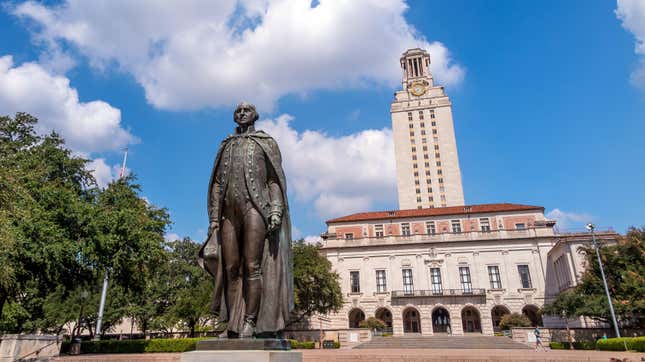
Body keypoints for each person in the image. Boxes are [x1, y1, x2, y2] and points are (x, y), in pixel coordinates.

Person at [199, 102, 293, 338]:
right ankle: (233, 323)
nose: (241, 113)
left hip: (256, 208)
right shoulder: (227, 145)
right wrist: (213, 218)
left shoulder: (266, 142)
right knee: (231, 268)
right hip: (229, 213)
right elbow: (218, 183)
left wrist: (276, 210)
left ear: (255, 116)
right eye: (238, 111)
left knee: (252, 266)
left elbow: (274, 180)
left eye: (246, 110)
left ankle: (251, 321)